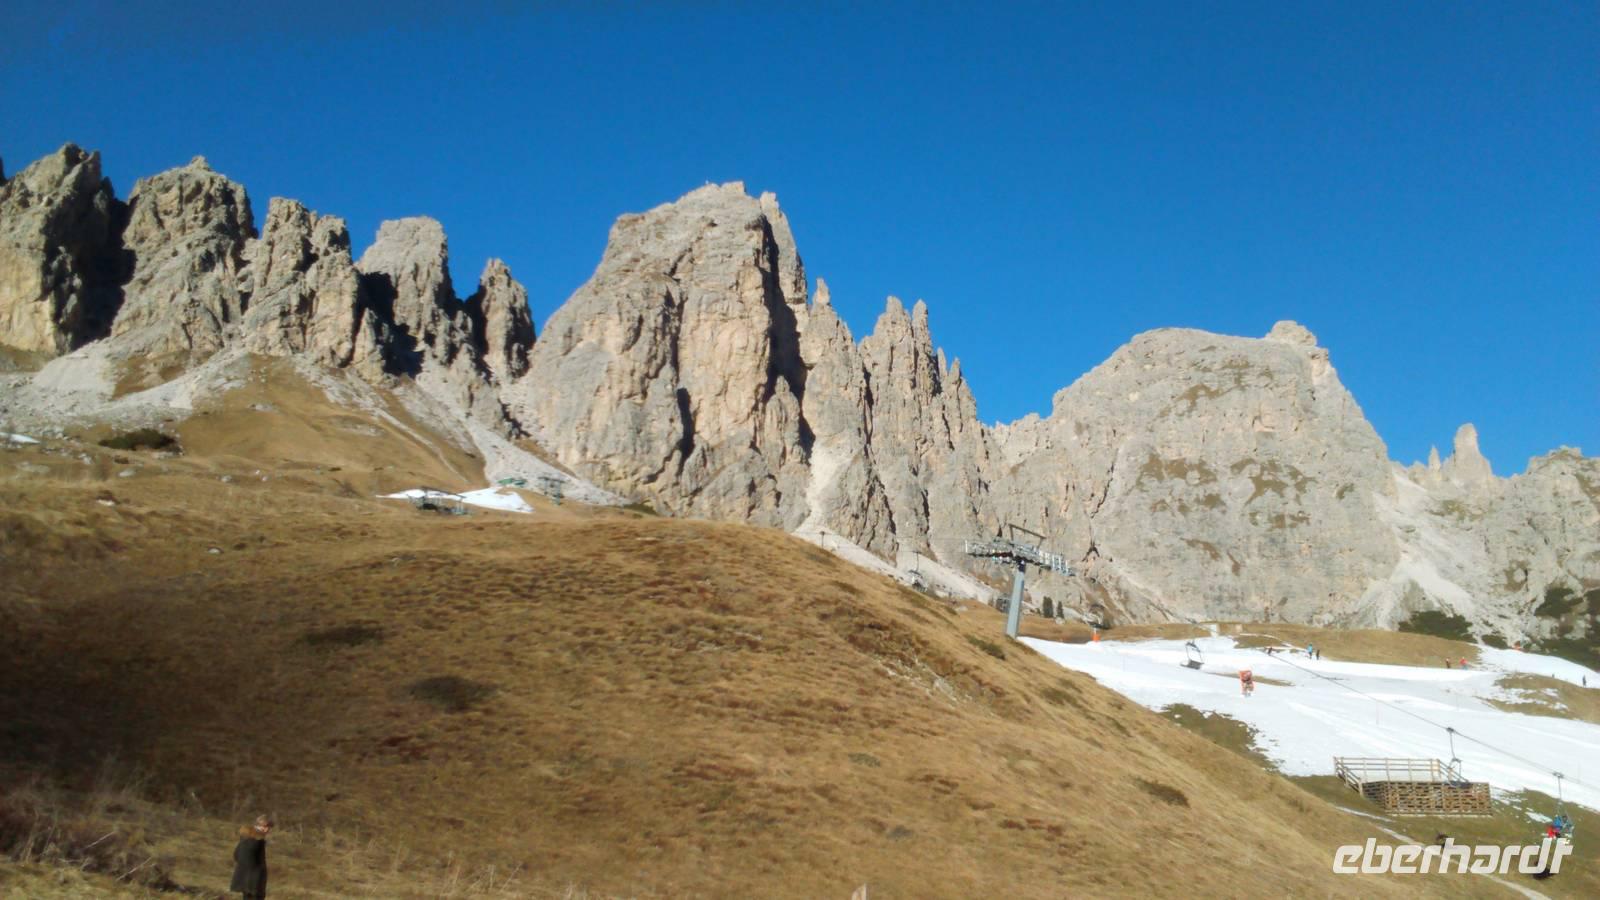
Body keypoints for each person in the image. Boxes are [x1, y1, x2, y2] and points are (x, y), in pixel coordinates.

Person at [231, 815, 272, 899]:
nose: (267, 830)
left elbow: (236, 855)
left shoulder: (245, 838)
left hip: (245, 878)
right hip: (254, 881)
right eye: (265, 827)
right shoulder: (257, 840)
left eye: (268, 827)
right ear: (258, 825)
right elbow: (249, 859)